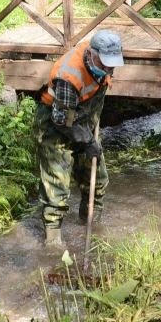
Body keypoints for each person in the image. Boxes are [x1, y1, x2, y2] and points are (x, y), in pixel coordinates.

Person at [34, 29, 125, 247]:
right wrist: (88, 141)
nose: (108, 69)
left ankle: (91, 226)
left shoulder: (105, 62)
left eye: (112, 65)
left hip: (84, 123)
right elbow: (61, 120)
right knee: (57, 185)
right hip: (55, 127)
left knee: (98, 179)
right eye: (104, 64)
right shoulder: (69, 76)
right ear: (92, 54)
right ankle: (53, 240)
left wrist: (91, 135)